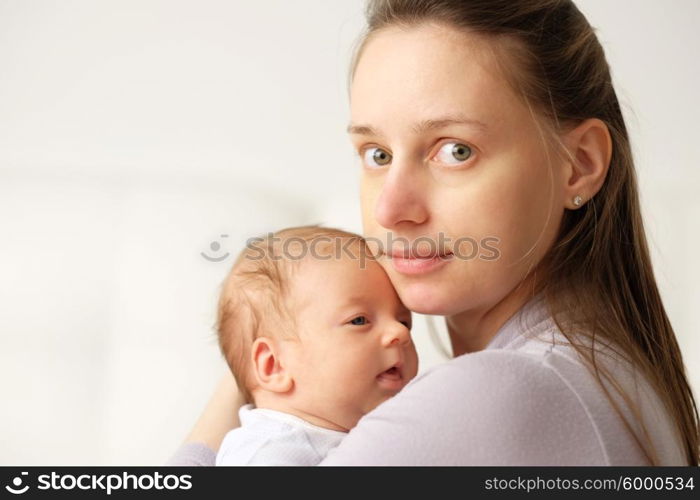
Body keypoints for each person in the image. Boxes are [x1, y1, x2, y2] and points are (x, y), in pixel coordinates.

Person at [168, 0, 699, 465]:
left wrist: (268, 364)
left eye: (455, 150)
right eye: (377, 155)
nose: (392, 207)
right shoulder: (609, 373)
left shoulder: (499, 394)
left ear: (578, 164)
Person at [213, 226, 418, 465]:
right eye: (359, 320)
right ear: (274, 365)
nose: (400, 332)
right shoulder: (269, 452)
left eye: (404, 321)